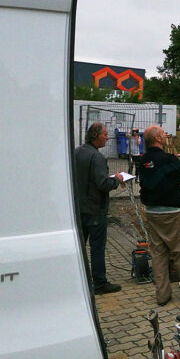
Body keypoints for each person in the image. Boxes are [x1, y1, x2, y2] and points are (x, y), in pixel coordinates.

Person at [138, 125, 180, 306]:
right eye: (163, 133)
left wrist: (171, 179)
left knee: (158, 254)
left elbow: (154, 180)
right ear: (157, 138)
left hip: (152, 213)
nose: (165, 135)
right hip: (171, 214)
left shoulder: (143, 160)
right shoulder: (167, 159)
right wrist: (179, 180)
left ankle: (163, 295)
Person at [73, 122, 125, 294]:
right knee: (97, 248)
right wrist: (117, 179)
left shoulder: (78, 152)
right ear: (96, 136)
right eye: (104, 134)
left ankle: (77, 279)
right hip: (95, 209)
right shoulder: (98, 157)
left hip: (79, 208)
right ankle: (100, 283)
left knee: (80, 247)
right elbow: (102, 183)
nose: (107, 137)